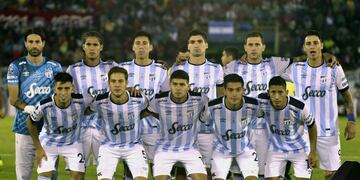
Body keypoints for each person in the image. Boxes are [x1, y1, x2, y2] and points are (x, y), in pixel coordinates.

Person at [281, 30, 356, 180]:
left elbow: (347, 96)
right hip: (302, 132)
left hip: (329, 132)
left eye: (315, 43)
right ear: (304, 48)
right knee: (302, 177)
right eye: (308, 43)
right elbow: (269, 66)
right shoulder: (294, 69)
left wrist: (351, 120)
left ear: (321, 45)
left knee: (332, 176)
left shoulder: (334, 68)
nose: (312, 46)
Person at [7, 28, 63, 180]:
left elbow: (61, 94)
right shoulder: (16, 66)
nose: (34, 45)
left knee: (50, 175)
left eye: (37, 42)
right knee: (24, 175)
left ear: (43, 44)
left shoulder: (54, 67)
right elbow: (13, 99)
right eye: (30, 42)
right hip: (23, 128)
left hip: (49, 130)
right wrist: (27, 108)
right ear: (25, 44)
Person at [169, 30, 224, 178]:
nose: (196, 45)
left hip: (209, 129)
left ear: (206, 45)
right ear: (188, 46)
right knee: (181, 170)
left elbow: (221, 98)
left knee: (207, 169)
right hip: (183, 129)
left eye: (200, 41)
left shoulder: (216, 69)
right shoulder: (178, 68)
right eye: (192, 42)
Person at [118, 31, 168, 177]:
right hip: (129, 126)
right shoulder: (123, 68)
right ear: (133, 47)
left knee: (157, 166)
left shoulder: (160, 70)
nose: (141, 47)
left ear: (150, 47)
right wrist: (126, 89)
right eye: (138, 43)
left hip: (154, 126)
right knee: (130, 168)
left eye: (144, 43)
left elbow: (167, 98)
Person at [66, 31, 118, 168]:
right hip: (80, 128)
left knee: (106, 173)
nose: (92, 48)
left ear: (101, 47)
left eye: (95, 44)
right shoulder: (72, 70)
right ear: (83, 46)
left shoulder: (111, 67)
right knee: (76, 174)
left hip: (106, 128)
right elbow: (67, 98)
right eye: (88, 44)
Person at [144, 70, 208, 180]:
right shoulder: (159, 100)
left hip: (190, 149)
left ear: (188, 86)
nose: (178, 88)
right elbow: (146, 111)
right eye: (175, 84)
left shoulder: (200, 99)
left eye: (182, 84)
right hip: (164, 149)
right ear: (170, 85)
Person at [26, 72, 88, 180]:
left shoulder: (81, 100)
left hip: (72, 143)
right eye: (60, 88)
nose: (63, 92)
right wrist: (39, 148)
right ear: (54, 89)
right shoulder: (44, 105)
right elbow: (30, 121)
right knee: (44, 176)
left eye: (67, 88)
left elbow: (95, 106)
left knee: (78, 177)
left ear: (72, 88)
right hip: (49, 143)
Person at [90, 67, 149, 180]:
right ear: (108, 83)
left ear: (127, 82)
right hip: (108, 147)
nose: (117, 85)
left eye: (121, 81)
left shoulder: (139, 98)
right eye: (113, 81)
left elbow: (149, 109)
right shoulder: (99, 101)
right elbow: (85, 111)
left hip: (134, 146)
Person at [257, 76, 317, 180]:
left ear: (286, 92)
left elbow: (312, 126)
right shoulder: (262, 101)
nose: (276, 96)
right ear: (268, 92)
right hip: (276, 149)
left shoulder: (299, 107)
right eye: (273, 92)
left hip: (299, 149)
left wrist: (313, 151)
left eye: (280, 92)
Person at [202, 74, 259, 180]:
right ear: (224, 91)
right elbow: (204, 127)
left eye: (238, 90)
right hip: (221, 150)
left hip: (245, 149)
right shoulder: (212, 107)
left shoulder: (254, 105)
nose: (234, 94)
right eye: (230, 90)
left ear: (243, 90)